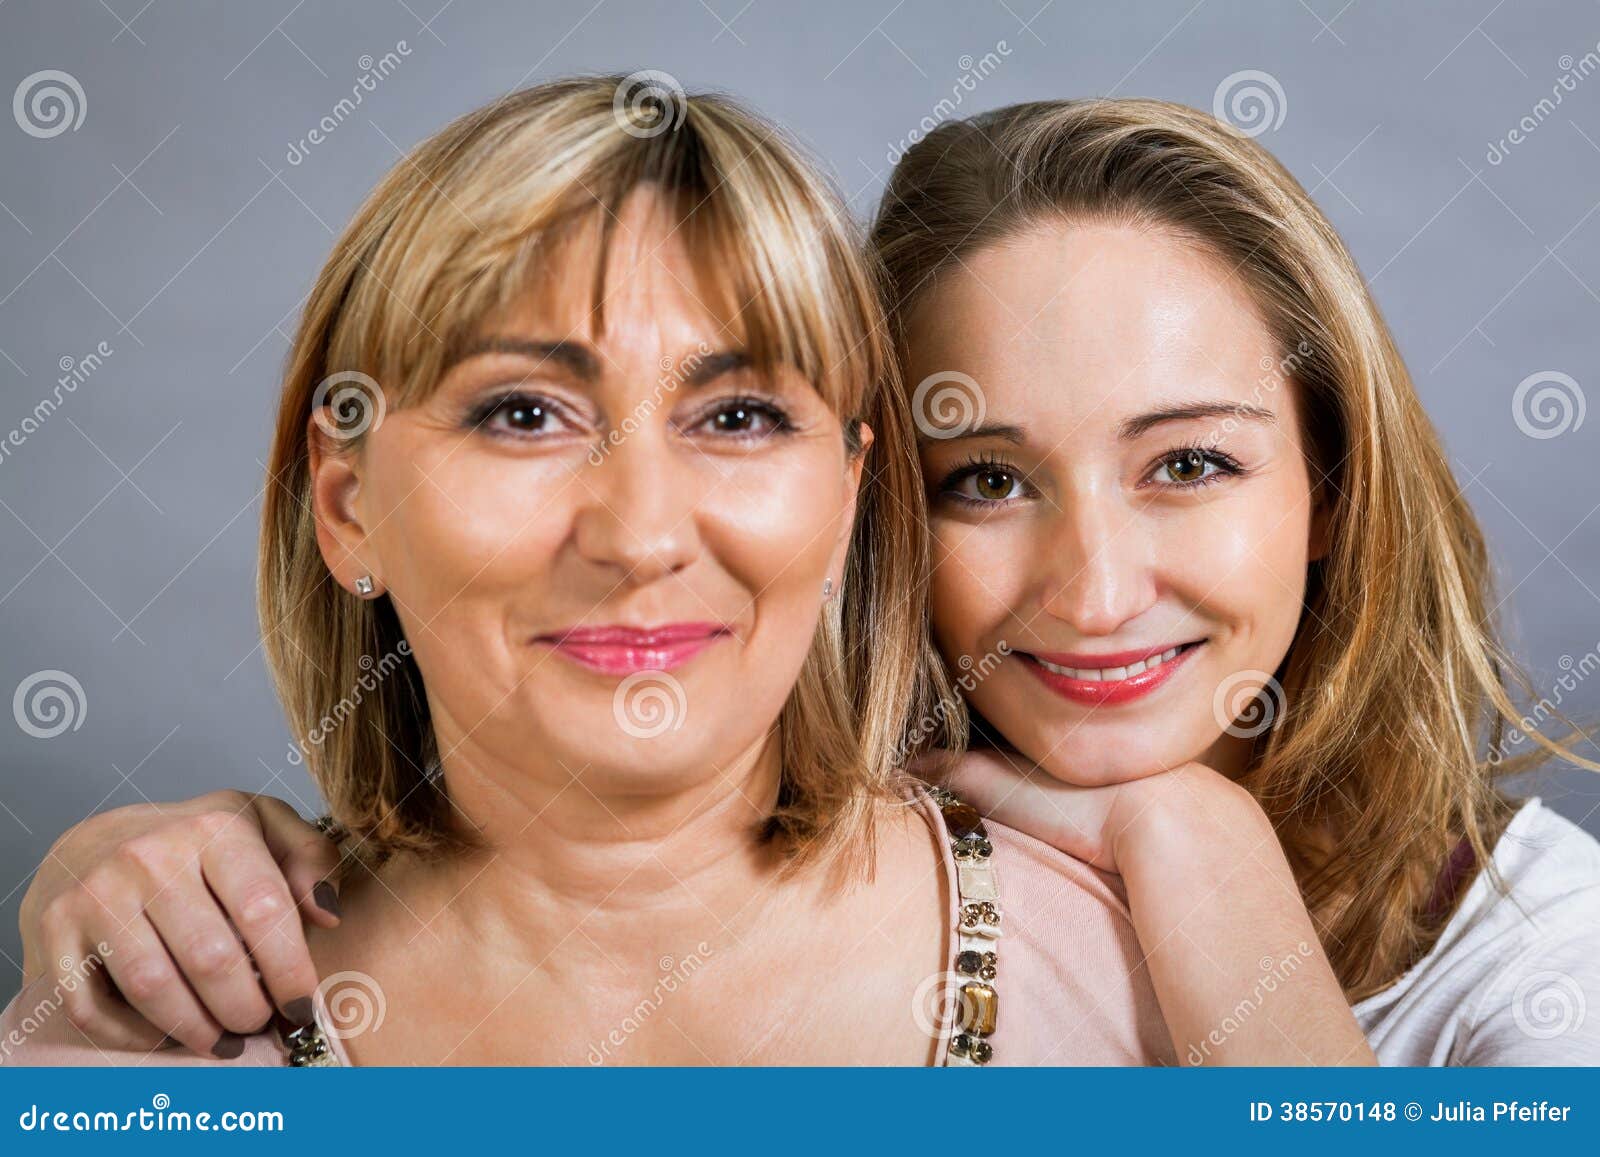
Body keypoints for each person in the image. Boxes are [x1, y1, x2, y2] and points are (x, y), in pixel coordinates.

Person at [2, 76, 1185, 1067]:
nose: (639, 532)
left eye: (737, 417)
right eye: (523, 413)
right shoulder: (126, 1043)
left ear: (845, 500)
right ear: (347, 504)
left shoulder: (1168, 983)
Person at [879, 99, 1600, 1065]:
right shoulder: (789, 922)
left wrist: (1205, 866)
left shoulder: (1551, 964)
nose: (1095, 597)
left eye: (1187, 465)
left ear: (1333, 485)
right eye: (989, 481)